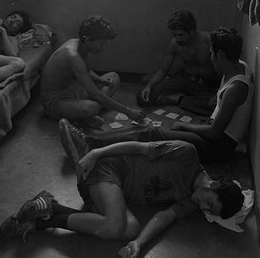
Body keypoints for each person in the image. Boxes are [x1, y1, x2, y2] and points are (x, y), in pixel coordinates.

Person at [0, 135, 244, 258]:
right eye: (209, 203)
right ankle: (48, 212)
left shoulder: (192, 199)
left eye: (208, 210)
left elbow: (164, 216)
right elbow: (139, 147)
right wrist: (96, 152)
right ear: (213, 185)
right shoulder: (186, 154)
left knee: (132, 229)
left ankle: (44, 214)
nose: (203, 208)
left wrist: (139, 243)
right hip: (108, 168)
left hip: (108, 193)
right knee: (115, 226)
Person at [61, 27, 254, 165]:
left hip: (218, 148)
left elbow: (213, 133)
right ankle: (98, 145)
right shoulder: (240, 66)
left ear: (220, 54)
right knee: (154, 136)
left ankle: (89, 143)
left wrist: (184, 125)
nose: (210, 58)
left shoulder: (235, 88)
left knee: (151, 134)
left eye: (212, 53)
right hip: (215, 136)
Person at [40, 15, 145, 127]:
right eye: (102, 43)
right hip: (53, 102)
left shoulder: (79, 44)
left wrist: (99, 80)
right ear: (87, 39)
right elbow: (95, 94)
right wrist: (128, 111)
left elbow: (85, 70)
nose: (104, 47)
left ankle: (81, 115)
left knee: (114, 77)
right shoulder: (72, 56)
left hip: (71, 90)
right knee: (93, 107)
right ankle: (83, 116)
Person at [138, 10, 219, 115]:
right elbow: (163, 70)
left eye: (181, 35)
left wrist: (218, 92)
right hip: (184, 78)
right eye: (174, 35)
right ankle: (182, 97)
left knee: (215, 107)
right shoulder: (175, 44)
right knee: (142, 97)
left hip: (205, 85)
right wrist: (148, 87)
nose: (177, 39)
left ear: (192, 31)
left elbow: (225, 70)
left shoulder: (208, 41)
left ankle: (178, 99)